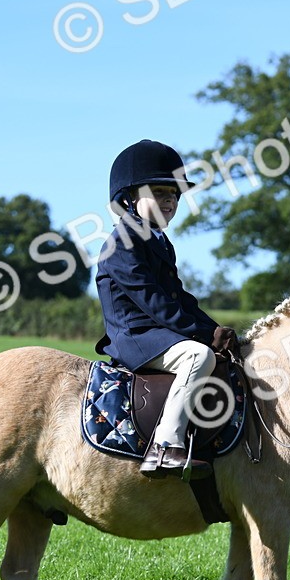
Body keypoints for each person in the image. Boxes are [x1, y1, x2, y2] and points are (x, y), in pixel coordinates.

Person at [95, 139, 237, 480]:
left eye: (173, 194)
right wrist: (205, 337)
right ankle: (164, 445)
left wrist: (218, 329)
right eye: (158, 193)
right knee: (198, 357)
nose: (170, 201)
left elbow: (181, 299)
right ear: (128, 199)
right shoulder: (121, 245)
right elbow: (156, 304)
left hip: (161, 334)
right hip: (137, 338)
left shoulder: (157, 242)